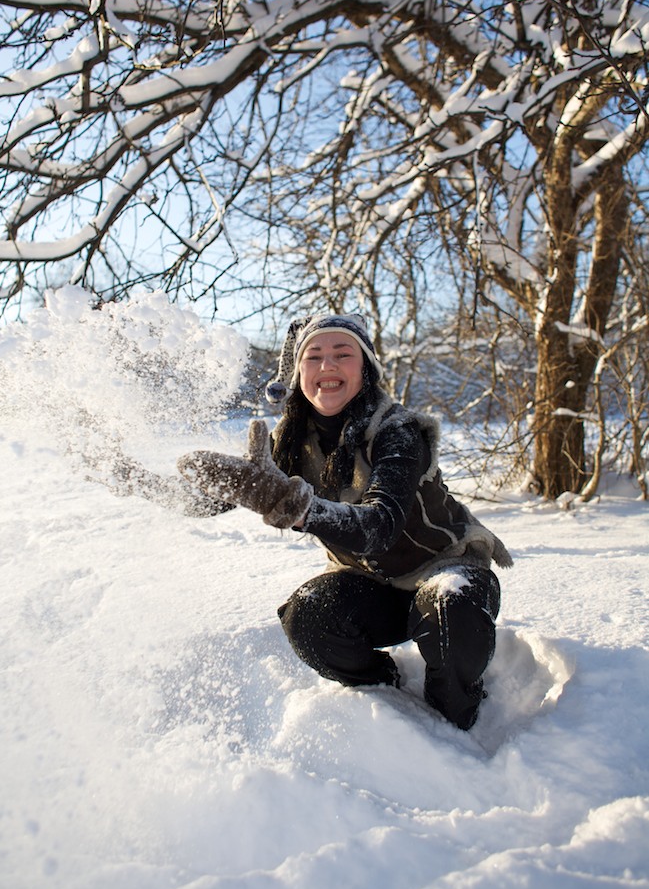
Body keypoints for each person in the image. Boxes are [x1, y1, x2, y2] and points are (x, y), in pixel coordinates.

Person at [178, 313, 513, 731]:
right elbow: (224, 498)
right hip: (372, 584)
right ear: (299, 372)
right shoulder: (292, 438)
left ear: (366, 368)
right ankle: (386, 691)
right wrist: (149, 487)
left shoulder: (397, 431)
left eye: (342, 354)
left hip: (445, 570)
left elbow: (379, 526)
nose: (327, 366)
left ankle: (455, 716)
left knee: (449, 610)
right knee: (308, 617)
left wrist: (300, 509)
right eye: (314, 356)